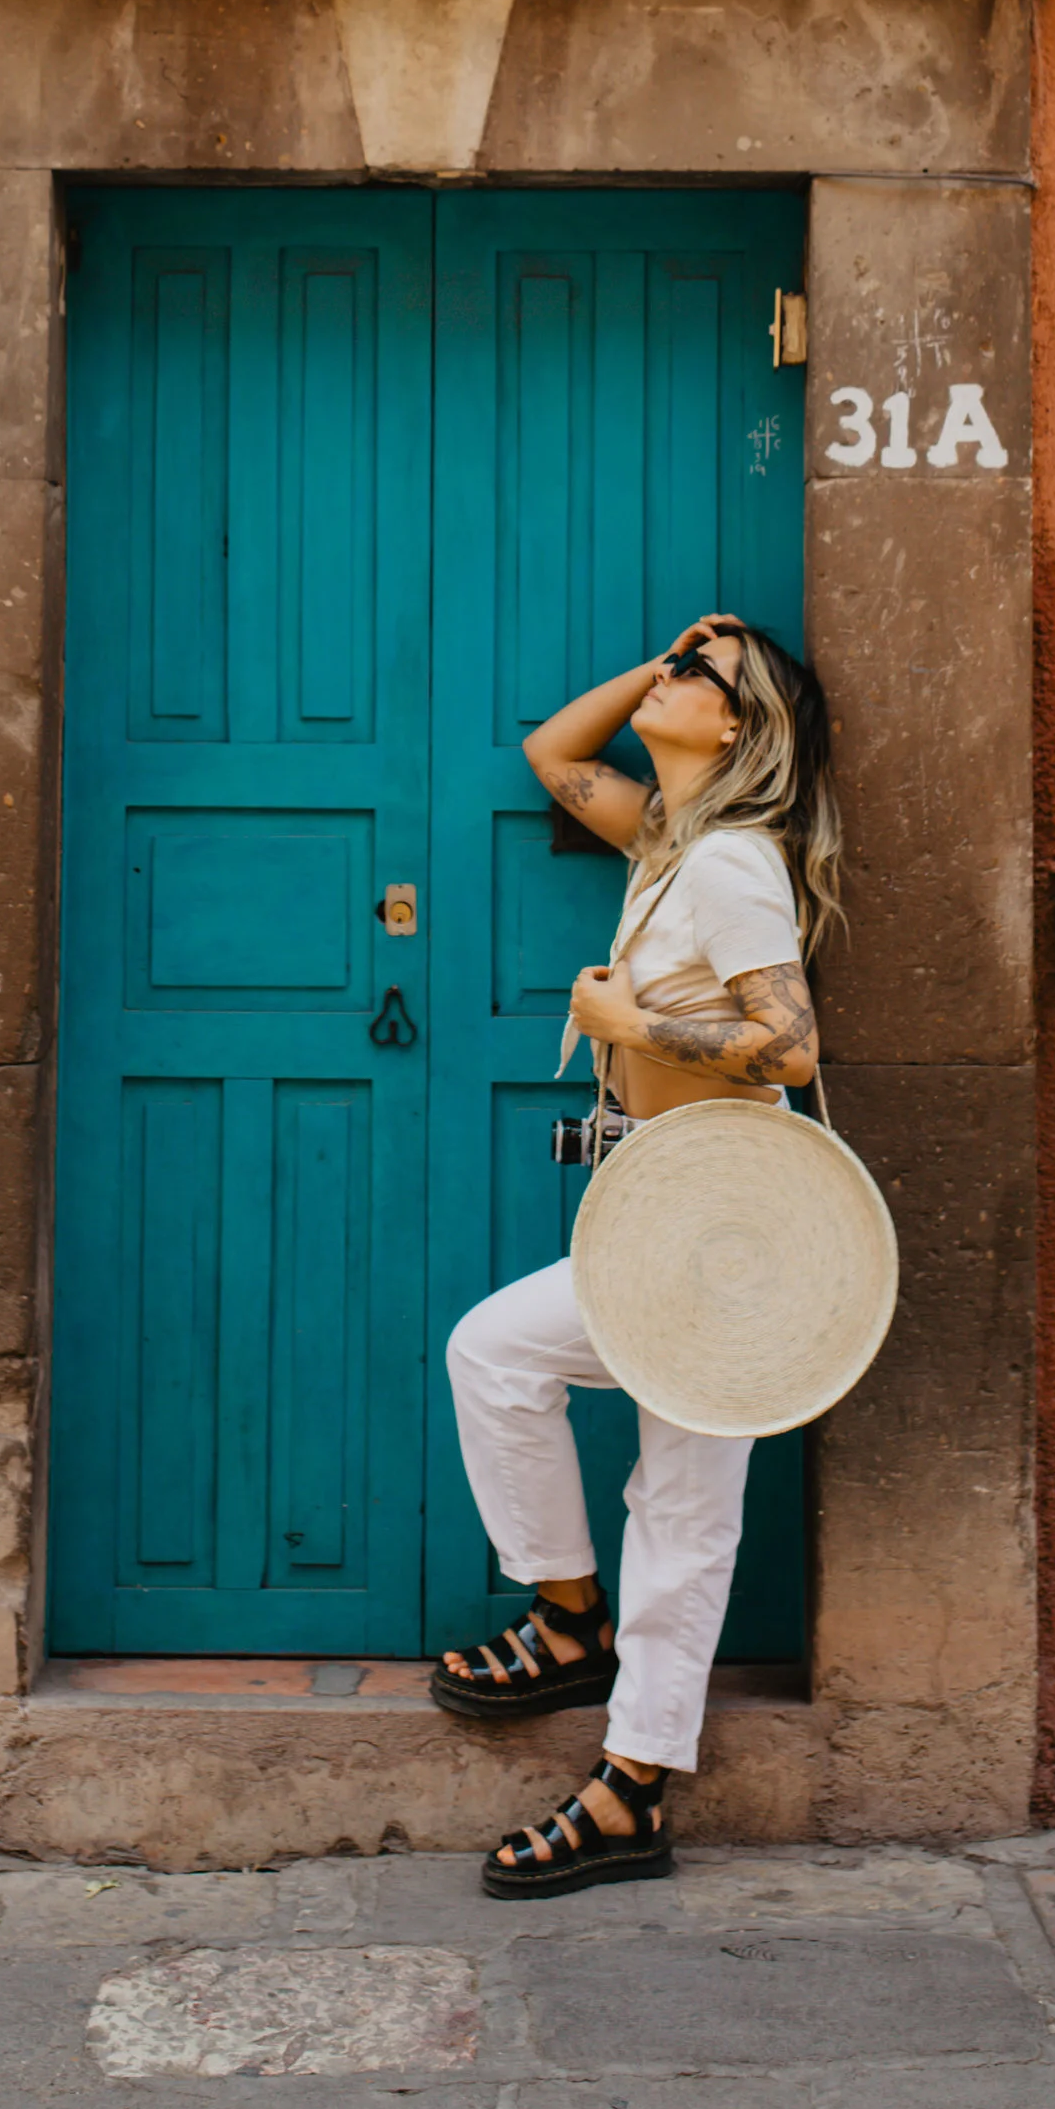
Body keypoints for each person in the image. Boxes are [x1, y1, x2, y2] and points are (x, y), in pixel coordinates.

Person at [428, 612, 843, 1896]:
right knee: (496, 1356)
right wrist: (672, 656)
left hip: (732, 1216)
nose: (669, 676)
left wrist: (633, 1022)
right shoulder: (668, 842)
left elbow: (791, 1046)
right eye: (676, 663)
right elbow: (553, 756)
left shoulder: (732, 864)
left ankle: (632, 1787)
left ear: (739, 727)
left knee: (684, 1505)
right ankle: (568, 1621)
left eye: (697, 674)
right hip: (667, 1200)